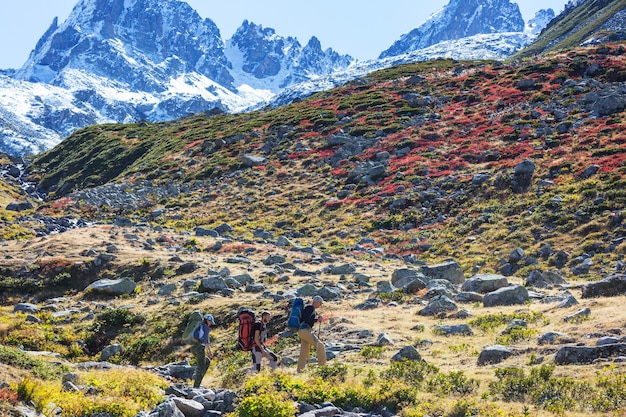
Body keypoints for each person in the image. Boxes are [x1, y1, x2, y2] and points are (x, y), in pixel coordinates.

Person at [297, 295, 327, 372]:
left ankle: (300, 370)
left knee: (304, 351)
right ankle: (322, 367)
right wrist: (317, 319)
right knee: (320, 346)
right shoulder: (310, 308)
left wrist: (315, 320)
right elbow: (306, 319)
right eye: (320, 303)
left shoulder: (309, 308)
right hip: (305, 330)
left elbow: (305, 319)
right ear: (316, 302)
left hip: (302, 331)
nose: (320, 305)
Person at [192, 313, 214, 388]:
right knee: (201, 366)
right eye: (210, 322)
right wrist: (210, 352)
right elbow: (206, 342)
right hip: (199, 348)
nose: (210, 324)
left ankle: (196, 376)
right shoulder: (205, 327)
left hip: (193, 348)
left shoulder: (199, 326)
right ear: (207, 320)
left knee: (206, 361)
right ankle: (196, 386)